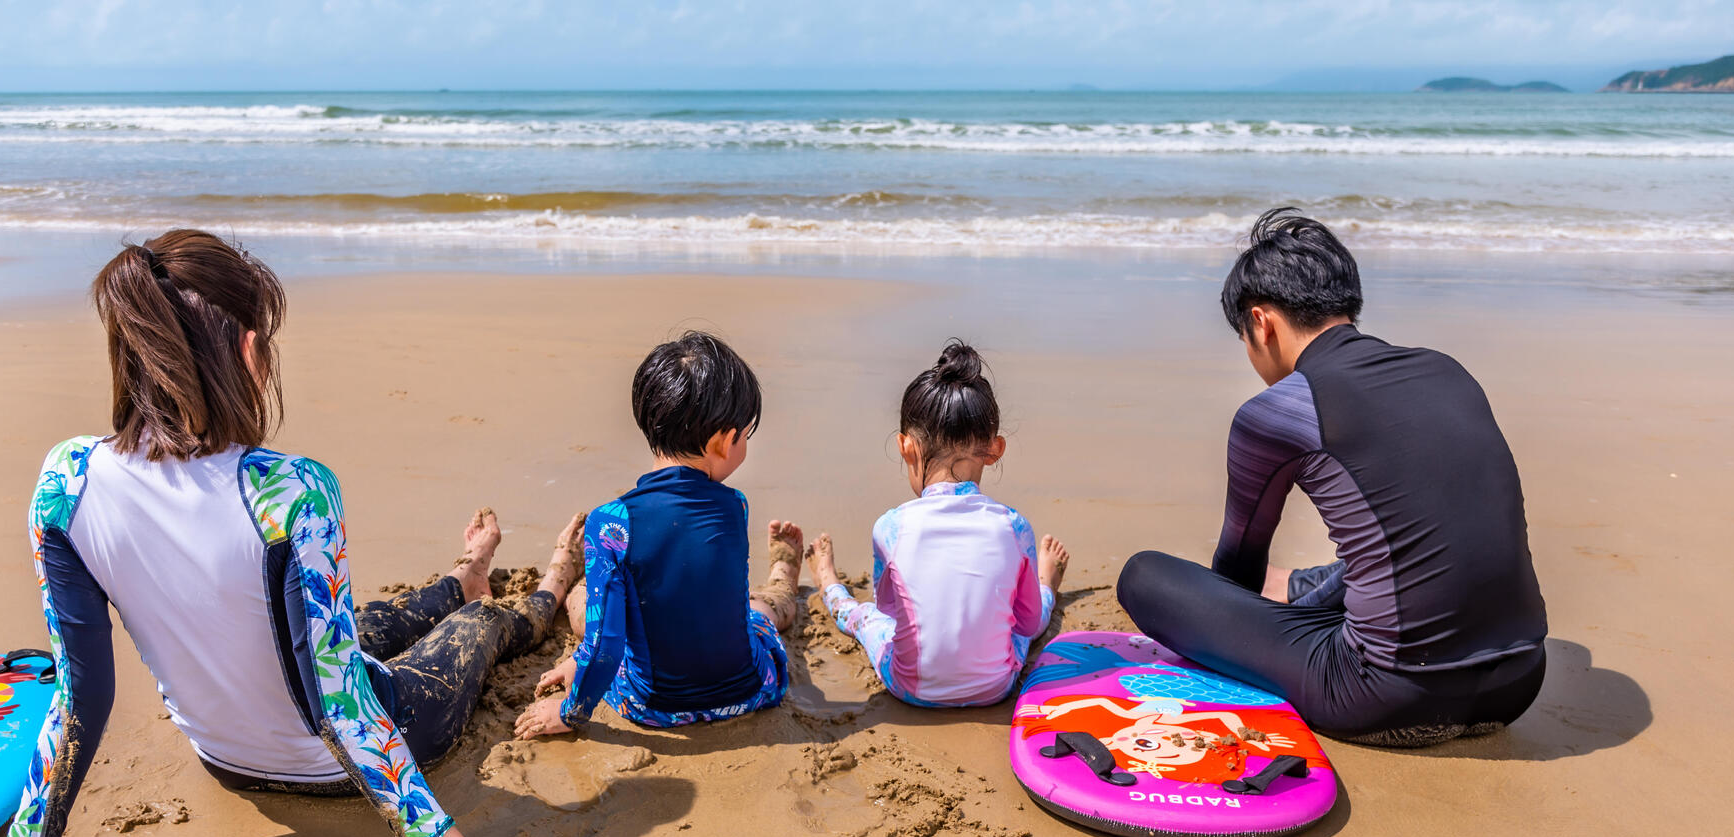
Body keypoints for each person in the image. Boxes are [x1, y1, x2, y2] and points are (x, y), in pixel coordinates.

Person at [0, 229, 577, 837]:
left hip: (224, 757)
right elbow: (339, 710)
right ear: (249, 352)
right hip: (357, 747)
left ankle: (459, 577)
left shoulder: (65, 481)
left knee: (362, 622)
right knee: (479, 632)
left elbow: (80, 693)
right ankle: (539, 592)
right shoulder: (291, 492)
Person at [1117, 208, 1548, 746]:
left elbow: (1237, 574)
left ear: (1261, 323)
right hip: (1521, 682)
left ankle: (1306, 593)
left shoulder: (1278, 410)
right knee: (1399, 549)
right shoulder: (1447, 370)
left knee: (1144, 576)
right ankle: (1306, 586)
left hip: (1387, 694)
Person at [514, 331, 802, 738]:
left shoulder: (610, 522)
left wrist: (569, 712)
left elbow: (607, 647)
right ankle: (783, 580)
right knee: (755, 615)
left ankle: (565, 574)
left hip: (652, 709)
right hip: (754, 691)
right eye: (745, 435)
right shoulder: (735, 505)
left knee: (586, 604)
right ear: (722, 442)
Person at [807, 341, 1068, 707]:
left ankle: (830, 586)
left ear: (905, 447)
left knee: (866, 618)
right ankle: (1048, 583)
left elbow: (889, 611)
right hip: (995, 689)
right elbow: (1026, 625)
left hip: (912, 689)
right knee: (1021, 626)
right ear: (994, 450)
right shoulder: (1015, 527)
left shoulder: (890, 527)